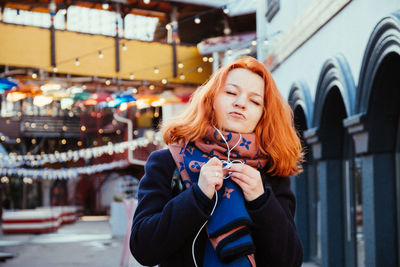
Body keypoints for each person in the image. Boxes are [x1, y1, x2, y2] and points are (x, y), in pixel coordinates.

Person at [130, 56, 304, 267]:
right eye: (231, 92)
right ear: (211, 99)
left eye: (255, 101)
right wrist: (197, 196)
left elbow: (290, 261)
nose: (240, 103)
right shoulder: (167, 162)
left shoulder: (271, 171)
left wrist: (260, 200)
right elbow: (143, 249)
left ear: (263, 115)